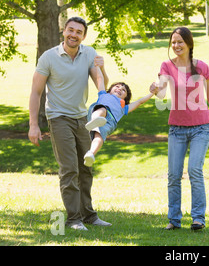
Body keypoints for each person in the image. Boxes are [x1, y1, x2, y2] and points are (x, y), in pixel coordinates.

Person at [28, 16, 111, 231]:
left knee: (86, 167)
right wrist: (33, 125)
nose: (74, 35)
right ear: (63, 31)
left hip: (81, 117)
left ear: (83, 36)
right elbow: (36, 93)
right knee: (69, 169)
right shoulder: (49, 57)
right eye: (70, 30)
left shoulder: (89, 53)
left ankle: (89, 215)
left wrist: (102, 68)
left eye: (79, 32)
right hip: (58, 118)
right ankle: (73, 219)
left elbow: (102, 84)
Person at [149, 26, 209, 231]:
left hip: (201, 126)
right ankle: (174, 220)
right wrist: (155, 89)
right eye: (173, 42)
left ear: (189, 44)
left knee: (194, 170)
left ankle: (198, 218)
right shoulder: (167, 66)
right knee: (174, 175)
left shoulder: (201, 67)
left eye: (180, 42)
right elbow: (161, 93)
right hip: (177, 128)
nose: (176, 46)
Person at [84, 81, 155, 167]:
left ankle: (91, 153)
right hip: (99, 111)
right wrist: (100, 68)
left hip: (110, 122)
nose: (119, 89)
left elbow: (140, 102)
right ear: (110, 90)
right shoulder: (103, 94)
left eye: (123, 90)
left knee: (99, 137)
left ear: (126, 97)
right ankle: (94, 120)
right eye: (117, 86)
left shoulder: (124, 107)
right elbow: (100, 78)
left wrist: (152, 93)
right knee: (102, 109)